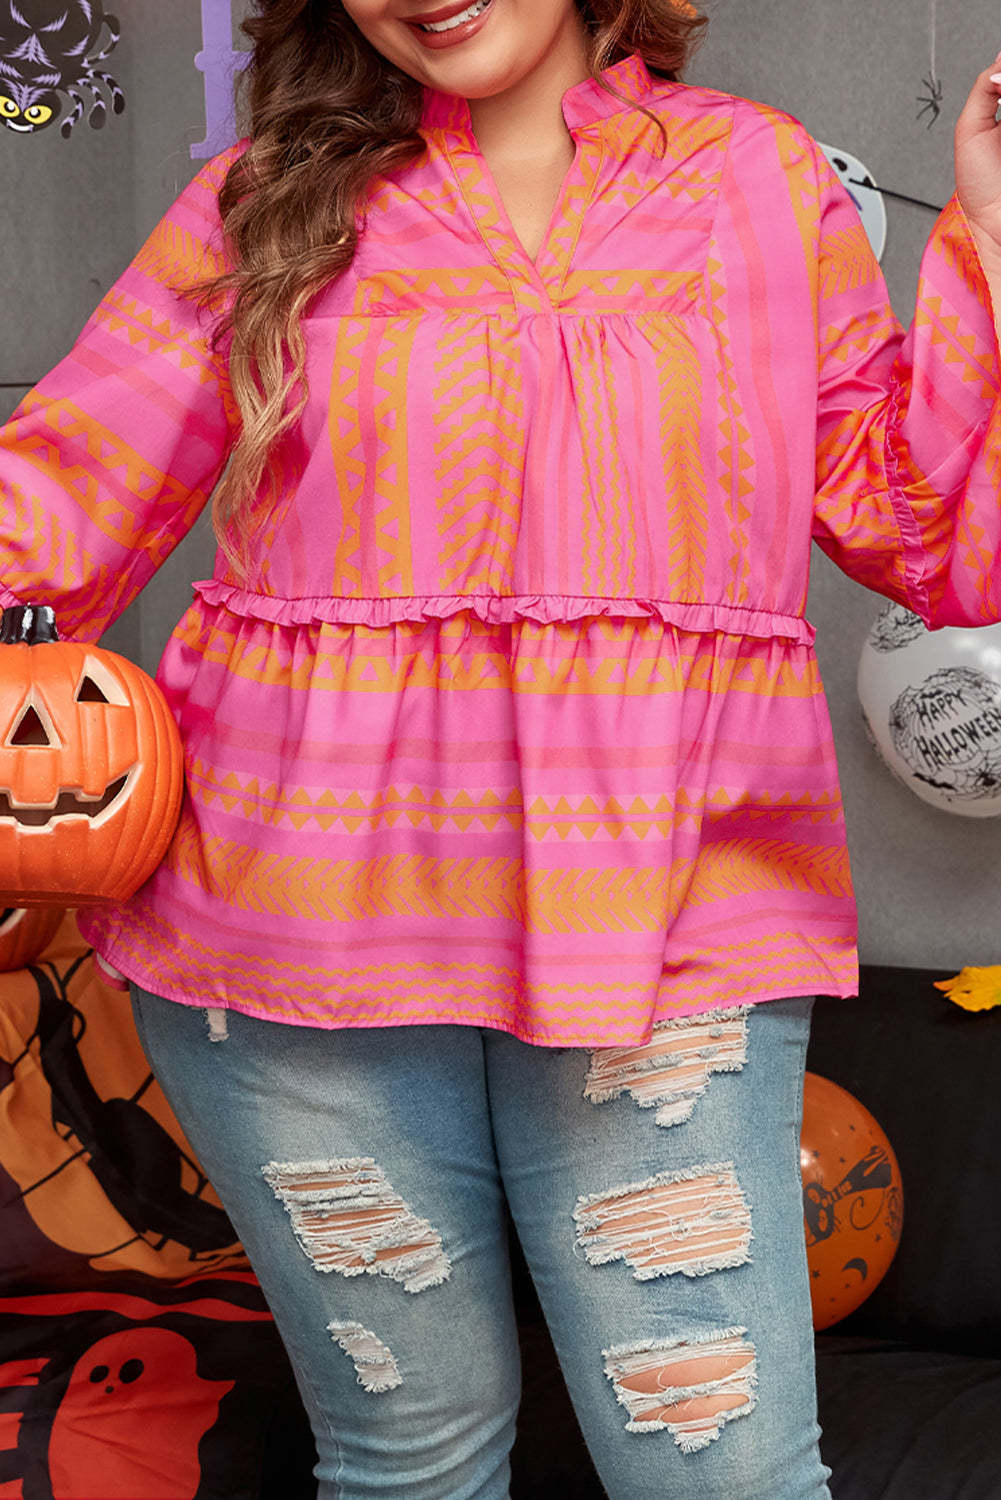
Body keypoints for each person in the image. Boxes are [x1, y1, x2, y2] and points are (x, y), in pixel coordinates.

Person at [3, 0, 1001, 1494]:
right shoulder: (264, 197)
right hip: (290, 931)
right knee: (409, 1467)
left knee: (721, 1478)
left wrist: (995, 237)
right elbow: (59, 493)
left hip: (664, 922)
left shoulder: (761, 177)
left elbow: (931, 536)